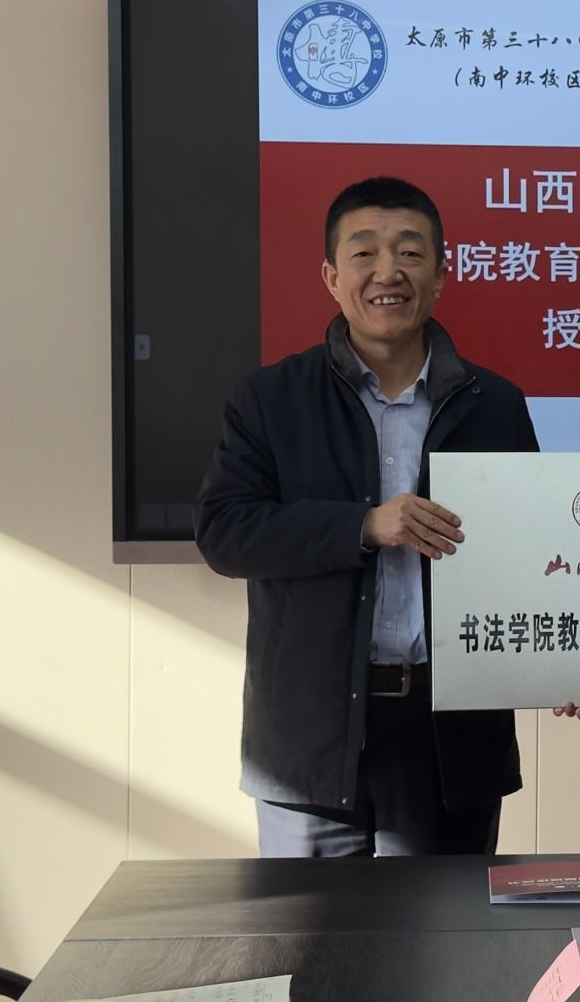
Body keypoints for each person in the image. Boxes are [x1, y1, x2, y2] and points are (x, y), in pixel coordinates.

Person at [196, 176, 539, 857]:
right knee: (311, 928)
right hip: (311, 739)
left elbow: (531, 557)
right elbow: (224, 533)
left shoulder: (495, 405)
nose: (388, 272)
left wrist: (569, 668)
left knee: (445, 929)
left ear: (441, 274)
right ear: (331, 276)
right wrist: (363, 526)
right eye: (364, 253)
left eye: (410, 253)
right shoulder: (270, 399)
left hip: (450, 740)